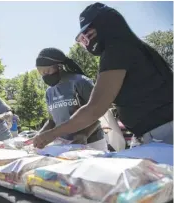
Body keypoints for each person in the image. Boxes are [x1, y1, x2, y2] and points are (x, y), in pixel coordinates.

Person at [33, 3, 173, 149]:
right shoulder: (130, 47)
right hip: (154, 133)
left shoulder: (116, 50)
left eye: (89, 35)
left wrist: (53, 133)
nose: (87, 43)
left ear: (106, 26)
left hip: (163, 133)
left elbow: (95, 109)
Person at [35, 47, 108, 151]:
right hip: (63, 145)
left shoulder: (81, 82)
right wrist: (40, 134)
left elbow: (99, 112)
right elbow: (52, 120)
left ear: (59, 66)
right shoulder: (49, 92)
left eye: (47, 71)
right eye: (41, 73)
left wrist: (84, 134)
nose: (44, 76)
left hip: (92, 142)